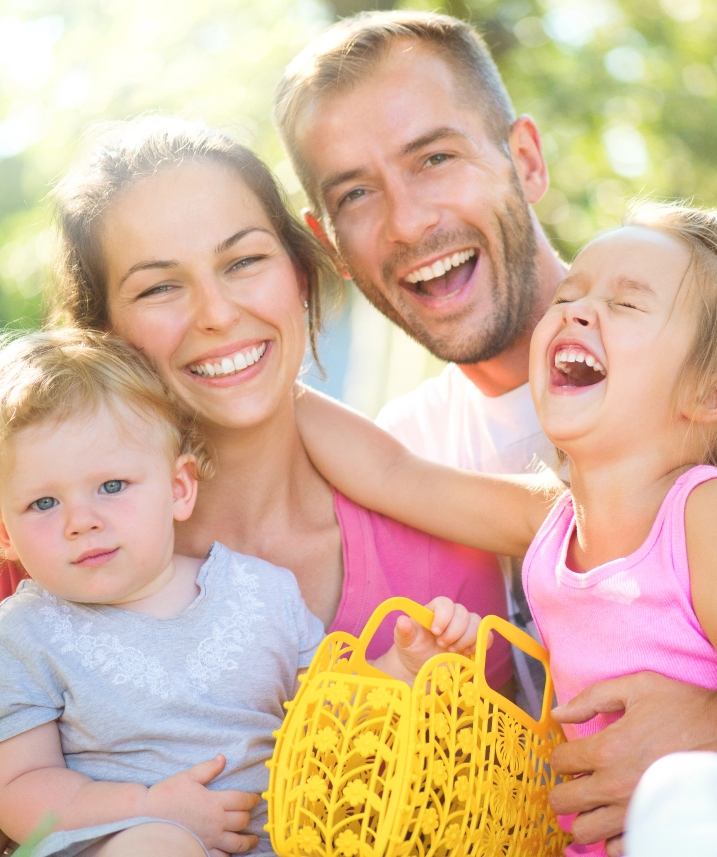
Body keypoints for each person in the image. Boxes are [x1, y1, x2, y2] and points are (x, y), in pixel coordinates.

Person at [273, 11, 717, 853]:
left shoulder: (686, 358)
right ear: (328, 245)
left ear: (524, 158)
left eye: (434, 157)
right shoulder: (449, 470)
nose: (407, 223)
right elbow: (395, 473)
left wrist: (703, 726)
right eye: (357, 194)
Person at [44, 117, 512, 685]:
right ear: (104, 335)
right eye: (159, 287)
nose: (216, 314)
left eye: (243, 262)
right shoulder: (45, 549)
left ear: (301, 276)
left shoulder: (443, 575)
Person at [0, 328, 482, 857]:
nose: (80, 522)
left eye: (112, 487)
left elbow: (333, 722)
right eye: (44, 504)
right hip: (121, 840)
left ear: (179, 488)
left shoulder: (260, 593)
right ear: (5, 533)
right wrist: (149, 807)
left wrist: (403, 670)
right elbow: (19, 790)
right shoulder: (25, 633)